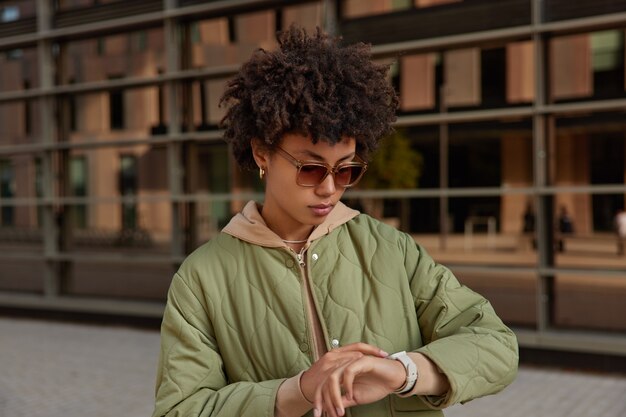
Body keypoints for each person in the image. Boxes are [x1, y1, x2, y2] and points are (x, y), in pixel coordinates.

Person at [152, 26, 518, 417]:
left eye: (345, 170)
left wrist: (404, 372)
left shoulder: (392, 249)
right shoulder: (202, 278)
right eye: (310, 169)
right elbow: (180, 409)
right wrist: (297, 392)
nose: (329, 188)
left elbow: (495, 344)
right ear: (262, 153)